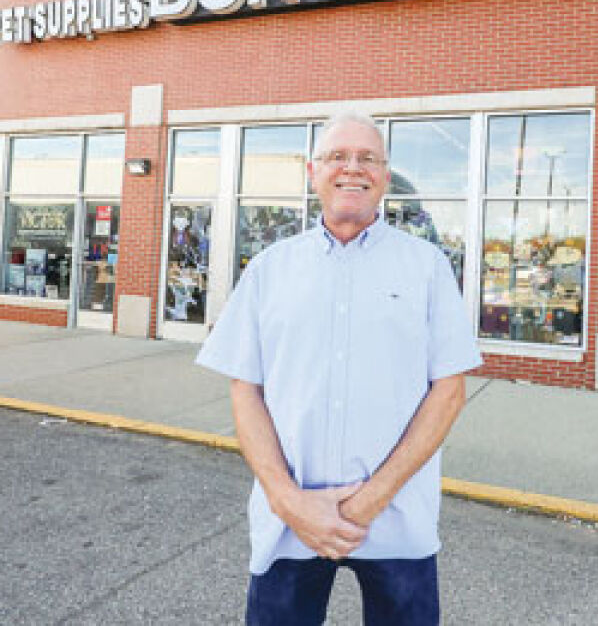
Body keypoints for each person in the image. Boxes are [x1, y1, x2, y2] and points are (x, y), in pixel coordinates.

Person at [196, 110, 481, 625]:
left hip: (398, 521)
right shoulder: (268, 269)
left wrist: (371, 500)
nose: (353, 168)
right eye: (337, 156)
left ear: (385, 177)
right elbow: (246, 391)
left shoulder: (428, 267)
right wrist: (290, 502)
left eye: (368, 158)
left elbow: (449, 391)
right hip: (289, 525)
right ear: (314, 172)